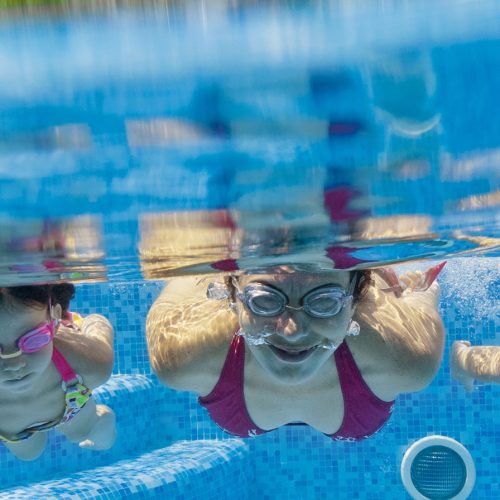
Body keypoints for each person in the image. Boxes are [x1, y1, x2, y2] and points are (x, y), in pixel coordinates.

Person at [146, 263, 445, 440]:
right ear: (233, 295)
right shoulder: (180, 353)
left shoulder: (405, 357)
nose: (292, 331)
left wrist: (410, 292)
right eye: (264, 299)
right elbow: (185, 275)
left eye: (324, 301)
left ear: (355, 303)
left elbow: (423, 291)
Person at [0, 284, 116, 460]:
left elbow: (101, 326)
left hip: (70, 402)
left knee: (79, 433)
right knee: (30, 454)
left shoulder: (91, 362)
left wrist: (94, 323)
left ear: (54, 323)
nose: (13, 364)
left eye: (34, 338)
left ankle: (103, 417)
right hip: (14, 430)